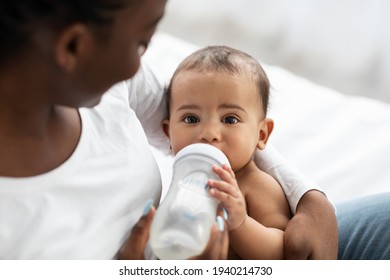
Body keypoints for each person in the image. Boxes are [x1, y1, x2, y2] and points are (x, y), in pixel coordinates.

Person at [0, 0, 340, 260]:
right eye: (140, 44)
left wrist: (311, 200)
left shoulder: (111, 84)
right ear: (74, 46)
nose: (139, 67)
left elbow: (213, 121)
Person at [162, 45, 292, 259]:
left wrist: (241, 223)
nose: (209, 133)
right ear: (168, 133)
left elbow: (281, 253)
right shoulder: (183, 181)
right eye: (191, 119)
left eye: (230, 119)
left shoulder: (257, 185)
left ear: (261, 135)